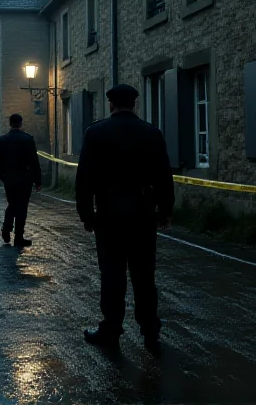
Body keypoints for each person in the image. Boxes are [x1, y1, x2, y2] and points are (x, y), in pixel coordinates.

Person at [75, 84, 175, 356]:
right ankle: (150, 332)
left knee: (111, 275)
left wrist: (86, 214)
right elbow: (164, 176)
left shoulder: (95, 133)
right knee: (144, 276)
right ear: (134, 103)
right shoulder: (151, 133)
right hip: (142, 213)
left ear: (110, 105)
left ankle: (111, 330)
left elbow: (84, 178)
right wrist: (164, 210)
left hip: (108, 214)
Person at [0, 113, 42, 248]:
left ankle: (6, 227)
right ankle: (19, 237)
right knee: (22, 207)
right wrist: (38, 181)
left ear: (10, 123)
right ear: (20, 123)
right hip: (24, 178)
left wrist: (2, 173)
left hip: (9, 178)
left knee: (12, 203)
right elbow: (34, 162)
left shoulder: (2, 140)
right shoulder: (27, 139)